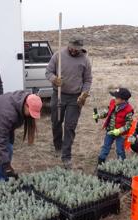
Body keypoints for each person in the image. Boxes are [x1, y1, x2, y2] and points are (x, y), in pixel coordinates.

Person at [45, 36, 93, 169]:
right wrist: (54, 79)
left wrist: (84, 93)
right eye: (72, 48)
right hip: (58, 94)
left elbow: (88, 80)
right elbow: (48, 72)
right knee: (56, 122)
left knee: (70, 126)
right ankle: (58, 146)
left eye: (76, 49)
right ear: (69, 45)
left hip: (75, 98)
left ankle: (66, 156)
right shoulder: (58, 56)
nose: (74, 51)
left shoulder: (85, 60)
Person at [93, 88, 134, 164]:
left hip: (121, 134)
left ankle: (122, 165)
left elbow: (129, 125)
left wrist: (119, 131)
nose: (114, 98)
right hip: (110, 131)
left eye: (117, 97)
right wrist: (98, 116)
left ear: (123, 100)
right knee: (105, 147)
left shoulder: (128, 110)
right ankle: (101, 163)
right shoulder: (113, 102)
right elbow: (108, 112)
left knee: (120, 150)